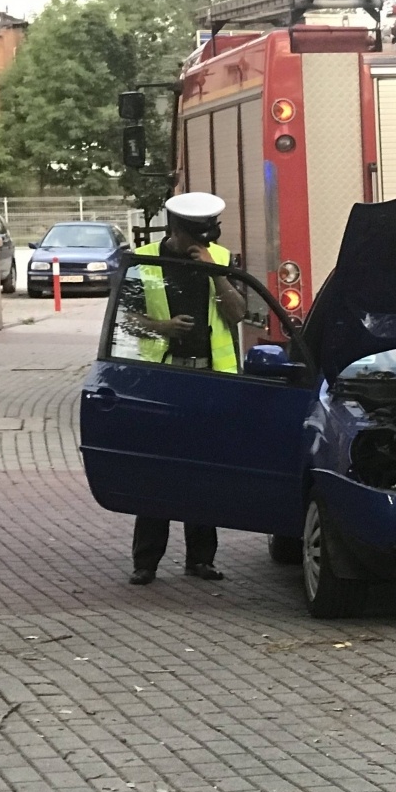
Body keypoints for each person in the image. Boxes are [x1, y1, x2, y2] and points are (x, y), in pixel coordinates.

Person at [126, 192, 247, 586]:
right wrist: (161, 328)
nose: (202, 243)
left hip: (210, 381)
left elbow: (239, 314)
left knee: (202, 474)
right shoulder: (143, 259)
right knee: (154, 475)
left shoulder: (221, 259)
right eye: (194, 236)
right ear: (174, 228)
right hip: (161, 381)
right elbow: (124, 320)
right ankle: (146, 563)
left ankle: (200, 559)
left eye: (208, 235)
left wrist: (217, 273)